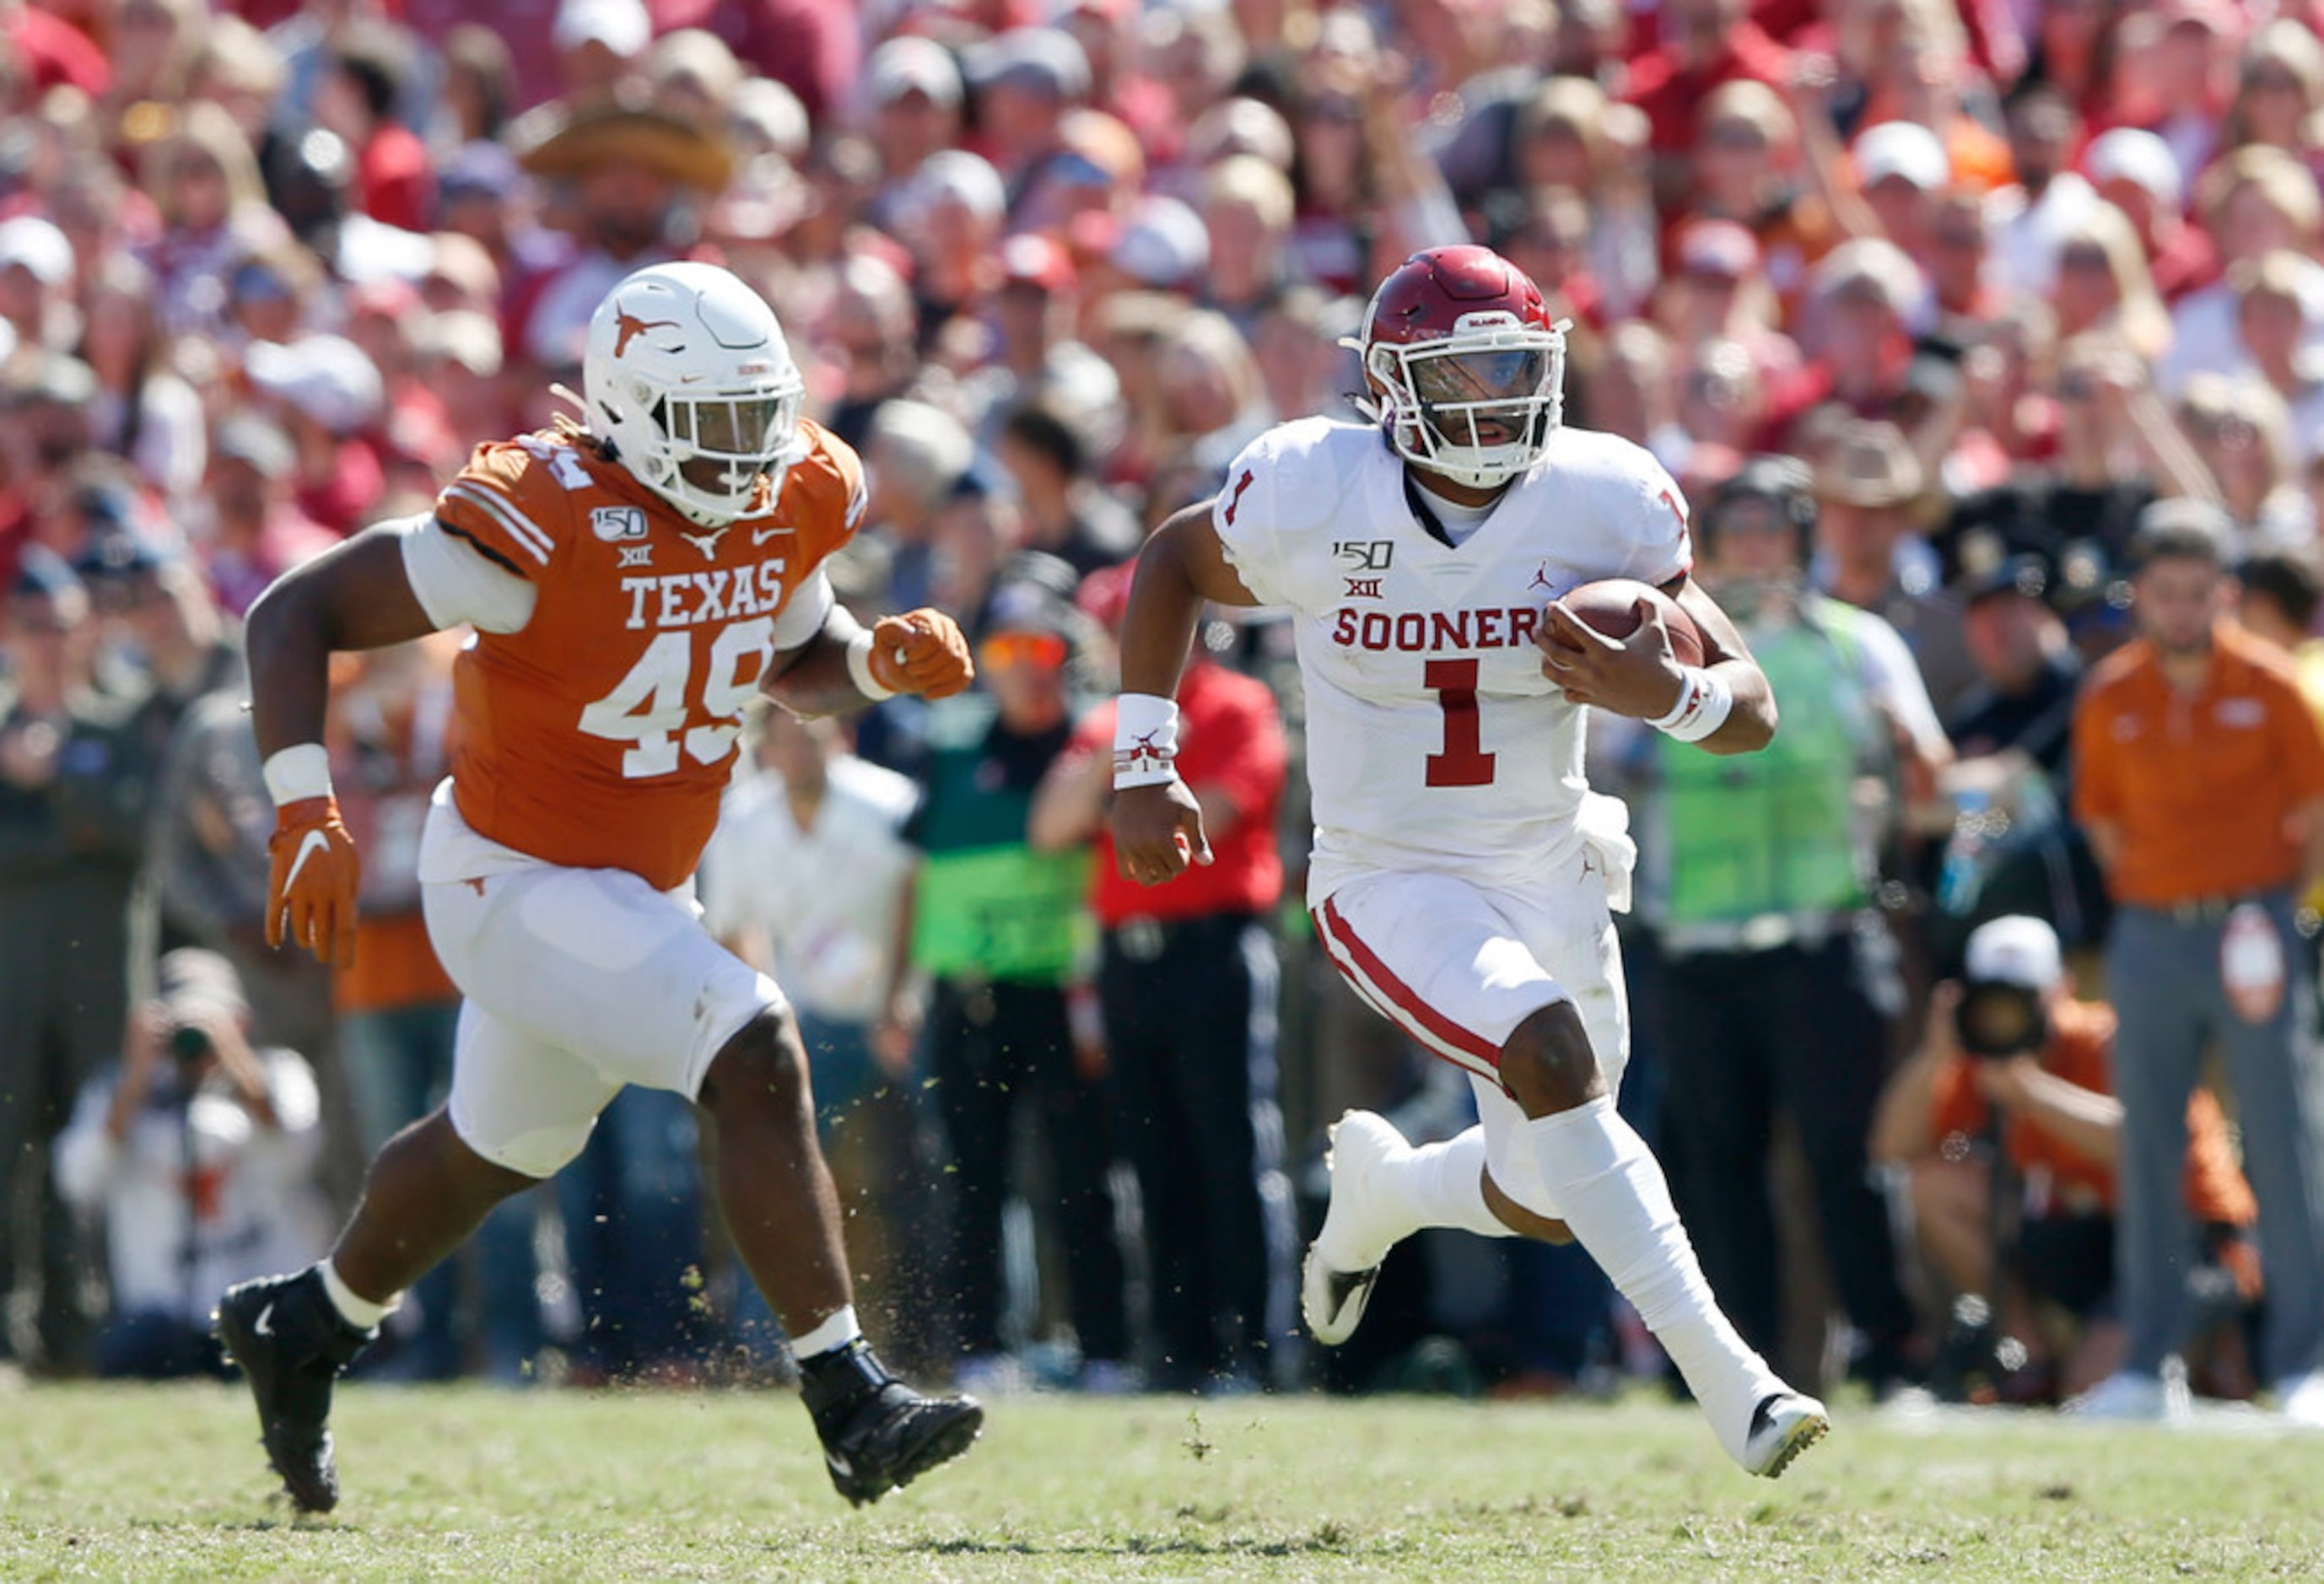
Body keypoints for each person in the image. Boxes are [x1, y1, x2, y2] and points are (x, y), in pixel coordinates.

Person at [210, 260, 984, 1513]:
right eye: (711, 424)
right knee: (754, 1038)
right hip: (513, 873)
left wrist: (874, 665)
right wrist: (305, 802)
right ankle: (849, 1397)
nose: (743, 454)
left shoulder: (790, 488)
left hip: (631, 886)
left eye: (758, 417)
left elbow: (792, 652)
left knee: (498, 1145)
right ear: (623, 412)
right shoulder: (536, 519)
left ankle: (305, 1321)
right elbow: (294, 613)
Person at [1108, 244, 1827, 1476]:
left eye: (1514, 368)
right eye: (1465, 371)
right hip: (1386, 872)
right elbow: (1173, 560)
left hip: (1548, 864)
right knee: (1551, 1058)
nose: (1495, 398)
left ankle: (1383, 1193)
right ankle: (1734, 1382)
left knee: (1546, 1193)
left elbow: (1749, 706)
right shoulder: (1310, 487)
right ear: (1389, 386)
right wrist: (1141, 755)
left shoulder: (1601, 495)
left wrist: (1671, 694)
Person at [1621, 456, 1941, 1399]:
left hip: (1823, 937)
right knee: (1718, 1170)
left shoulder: (1856, 643)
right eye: (1737, 533)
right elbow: (1603, 765)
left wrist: (1908, 766)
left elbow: (1926, 782)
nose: (1756, 551)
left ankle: (1892, 1358)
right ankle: (1737, 1370)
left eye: (1773, 531)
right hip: (1696, 949)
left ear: (1802, 544)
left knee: (1848, 1160)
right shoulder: (1656, 644)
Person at [2069, 513, 2324, 1423]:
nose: (2180, 609)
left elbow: (2312, 811)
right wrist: (2160, 891)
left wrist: (2269, 910)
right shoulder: (2109, 693)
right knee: (2149, 1144)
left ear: (2224, 592)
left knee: (2283, 1135)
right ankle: (2146, 1364)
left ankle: (2305, 1363)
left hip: (2251, 924)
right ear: (2142, 593)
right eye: (2163, 591)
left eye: (2197, 591)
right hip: (2147, 930)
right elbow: (2099, 821)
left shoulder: (2269, 680)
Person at [1031, 605, 1296, 1393]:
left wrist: (1115, 792)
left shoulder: (1235, 703)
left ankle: (1250, 1348)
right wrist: (1117, 761)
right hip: (1128, 959)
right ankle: (1178, 1351)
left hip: (1208, 947)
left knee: (1230, 1150)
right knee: (1152, 1159)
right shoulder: (1111, 720)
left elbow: (1202, 819)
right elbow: (1050, 825)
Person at [1870, 916, 2261, 1406]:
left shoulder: (2107, 1038)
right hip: (2083, 1239)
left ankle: (2205, 1358)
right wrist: (1933, 1054)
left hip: (2184, 1242)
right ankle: (2030, 1357)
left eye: (2024, 995)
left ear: (2062, 989)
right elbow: (1890, 1150)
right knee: (1929, 1185)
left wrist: (2034, 1095)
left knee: (2093, 1390)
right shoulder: (1982, 1057)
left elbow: (2151, 1144)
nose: (2007, 1013)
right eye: (1992, 995)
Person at [53, 949, 331, 1379]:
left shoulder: (278, 1074)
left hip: (261, 1312)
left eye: (212, 1022)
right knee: (125, 1351)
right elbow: (78, 1180)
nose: (196, 1042)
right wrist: (135, 1082)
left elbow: (296, 1160)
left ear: (240, 1021)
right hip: (159, 1317)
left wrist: (239, 1067)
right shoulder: (116, 1091)